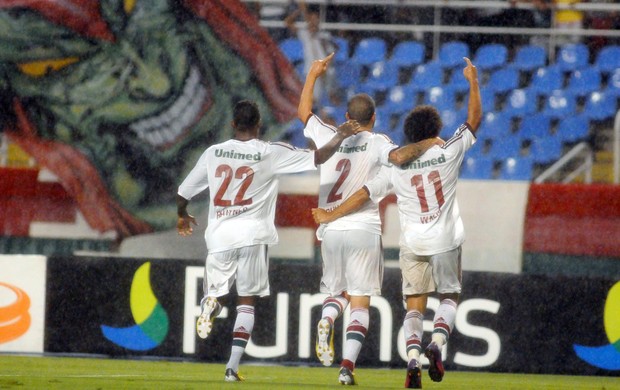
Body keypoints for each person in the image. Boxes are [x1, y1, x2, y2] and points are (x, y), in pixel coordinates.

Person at [312, 57, 482, 389]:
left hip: (413, 243)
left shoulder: (396, 166)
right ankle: (438, 344)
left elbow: (365, 192)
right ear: (434, 132)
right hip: (446, 238)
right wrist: (473, 82)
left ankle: (414, 358)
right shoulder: (447, 152)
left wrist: (331, 215)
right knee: (448, 296)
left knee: (413, 310)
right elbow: (473, 119)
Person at [176, 99, 360, 382]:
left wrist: (182, 214)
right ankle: (231, 368)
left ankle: (211, 302)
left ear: (233, 124)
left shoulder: (214, 152)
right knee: (246, 303)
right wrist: (340, 134)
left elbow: (184, 192)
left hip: (220, 235)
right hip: (252, 234)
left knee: (217, 292)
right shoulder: (269, 152)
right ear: (259, 125)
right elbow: (318, 157)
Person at [298, 53, 443, 385]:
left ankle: (327, 317)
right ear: (374, 118)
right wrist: (428, 142)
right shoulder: (378, 143)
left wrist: (313, 75)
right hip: (363, 228)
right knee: (360, 302)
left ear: (347, 117)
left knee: (336, 293)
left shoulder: (326, 135)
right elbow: (400, 156)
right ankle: (346, 368)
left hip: (330, 229)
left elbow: (303, 112)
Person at [285, 0, 336, 104]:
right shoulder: (304, 34)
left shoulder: (324, 35)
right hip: (311, 71)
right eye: (311, 20)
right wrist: (300, 10)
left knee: (332, 97)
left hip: (325, 70)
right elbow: (288, 22)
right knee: (313, 100)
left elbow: (332, 53)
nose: (313, 23)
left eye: (315, 20)